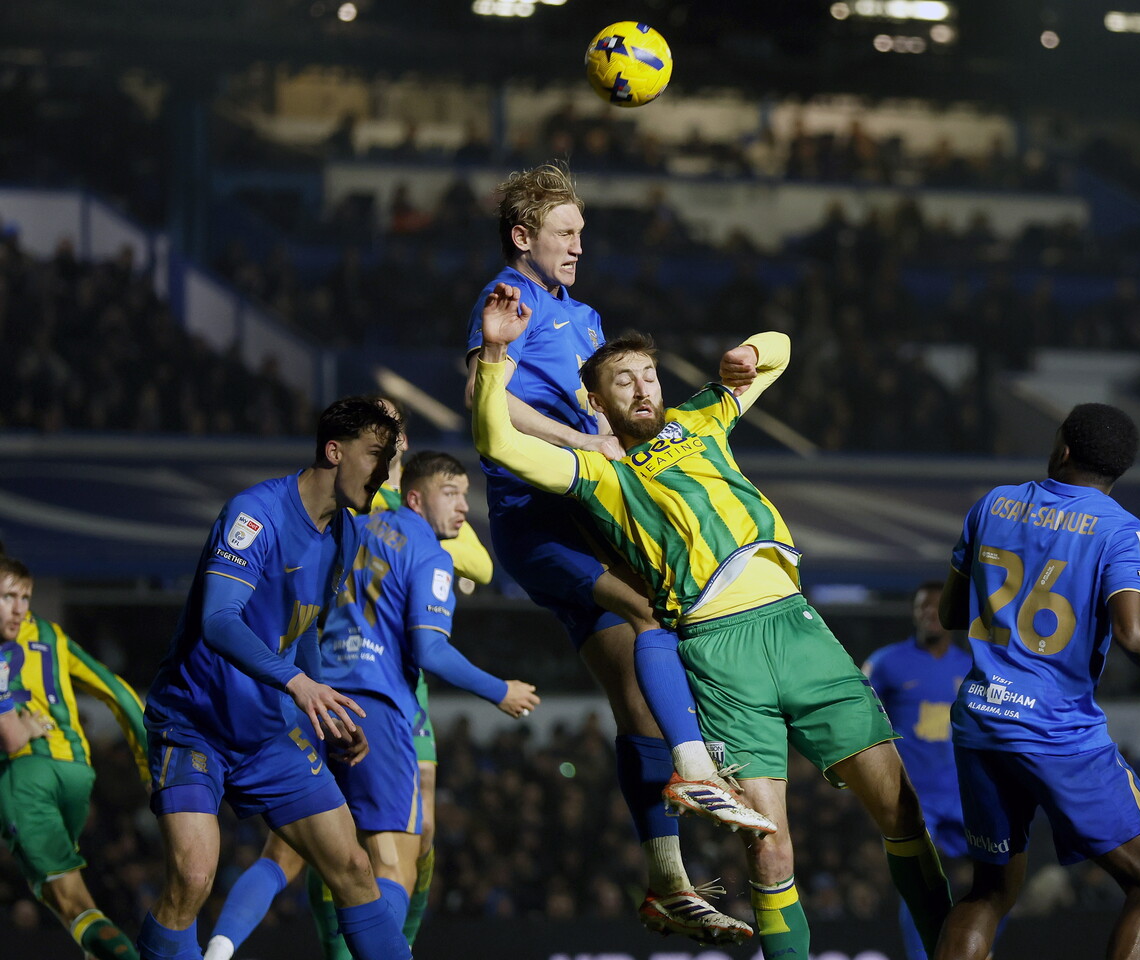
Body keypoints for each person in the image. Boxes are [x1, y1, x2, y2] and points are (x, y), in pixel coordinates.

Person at [472, 286, 953, 960]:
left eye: (648, 373)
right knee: (767, 843)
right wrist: (495, 351)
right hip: (721, 655)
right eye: (622, 380)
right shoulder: (594, 472)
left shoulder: (701, 417)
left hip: (798, 630)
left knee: (903, 814)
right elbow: (496, 437)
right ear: (596, 402)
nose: (642, 388)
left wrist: (750, 351)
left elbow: (780, 356)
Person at [462, 163, 772, 944]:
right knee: (646, 609)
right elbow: (485, 401)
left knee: (636, 684)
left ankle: (667, 883)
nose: (577, 247)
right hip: (537, 520)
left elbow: (606, 408)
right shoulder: (510, 300)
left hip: (590, 516)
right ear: (522, 237)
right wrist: (582, 441)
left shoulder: (588, 314)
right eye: (565, 234)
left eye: (582, 234)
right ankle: (697, 771)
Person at [203, 450, 538, 960]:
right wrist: (500, 691)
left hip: (313, 698)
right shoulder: (430, 554)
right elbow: (430, 650)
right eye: (451, 493)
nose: (464, 506)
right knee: (394, 861)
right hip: (375, 710)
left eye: (464, 495)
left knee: (288, 852)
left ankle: (219, 949)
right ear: (416, 496)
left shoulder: (351, 529)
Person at [139, 396, 413, 960]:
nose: (384, 472)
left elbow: (303, 627)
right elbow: (218, 620)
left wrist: (325, 709)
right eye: (376, 456)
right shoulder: (254, 515)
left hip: (268, 733)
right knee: (191, 879)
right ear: (335, 452)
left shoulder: (346, 535)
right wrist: (297, 684)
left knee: (355, 869)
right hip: (195, 725)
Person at [935, 402, 1140, 960]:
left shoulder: (993, 504)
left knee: (988, 891)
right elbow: (1132, 630)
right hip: (1055, 731)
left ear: (1064, 448)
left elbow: (951, 614)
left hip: (981, 719)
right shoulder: (1123, 532)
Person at [0, 555, 149, 960]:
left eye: (23, 597)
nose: (19, 608)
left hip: (26, 776)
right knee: (67, 901)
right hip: (77, 775)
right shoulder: (51, 634)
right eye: (10, 597)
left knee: (70, 903)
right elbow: (119, 692)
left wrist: (24, 729)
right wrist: (148, 766)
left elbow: (11, 737)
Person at [865, 582, 1005, 960]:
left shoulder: (975, 667)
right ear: (913, 613)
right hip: (913, 795)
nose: (930, 615)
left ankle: (979, 950)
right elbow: (862, 721)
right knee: (920, 886)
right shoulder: (886, 663)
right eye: (921, 608)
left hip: (965, 793)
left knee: (998, 879)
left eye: (937, 608)